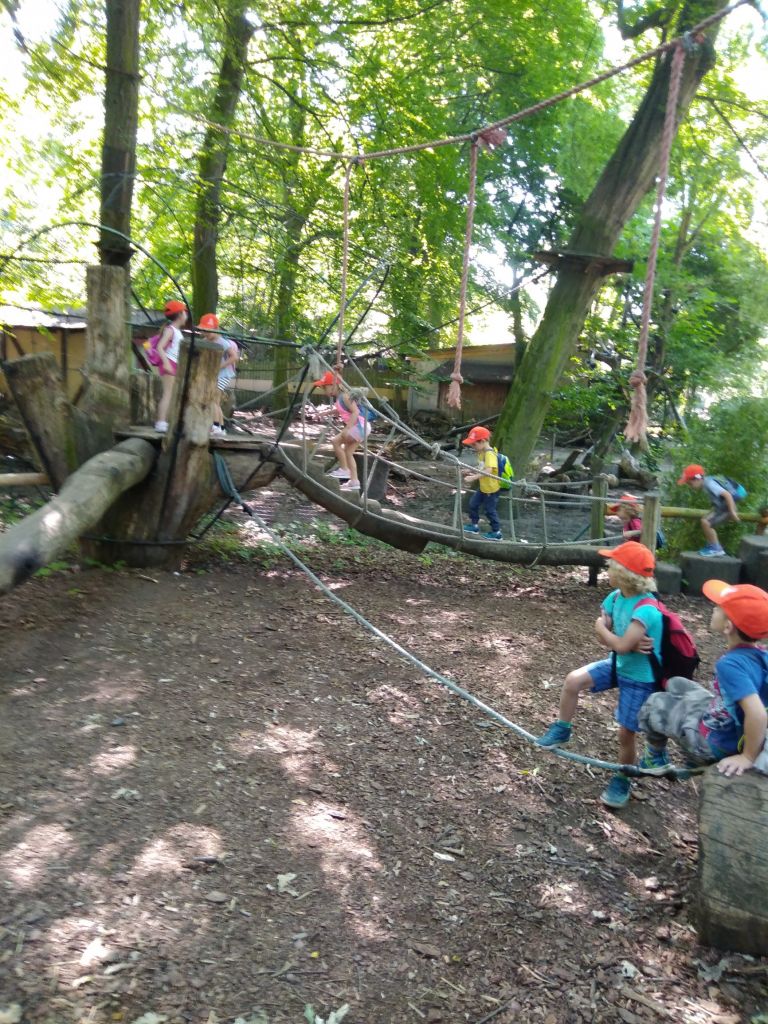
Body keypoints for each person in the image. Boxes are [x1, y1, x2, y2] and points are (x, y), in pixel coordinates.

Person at [536, 541, 664, 809]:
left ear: (624, 573)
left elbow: (616, 641)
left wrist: (605, 631)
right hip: (618, 664)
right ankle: (562, 728)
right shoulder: (616, 597)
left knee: (626, 734)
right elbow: (613, 640)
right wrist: (614, 638)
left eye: (612, 566)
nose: (607, 569)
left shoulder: (646, 609)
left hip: (640, 678)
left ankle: (623, 778)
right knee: (573, 681)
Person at [638, 580, 768, 778]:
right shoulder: (761, 654)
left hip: (718, 742)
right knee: (676, 684)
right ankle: (691, 759)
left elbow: (757, 713)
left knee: (654, 702)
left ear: (728, 627)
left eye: (718, 607)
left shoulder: (731, 665)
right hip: (727, 720)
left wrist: (748, 756)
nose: (713, 609)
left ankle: (655, 759)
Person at [311, 369, 371, 492]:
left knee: (335, 441)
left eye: (325, 387)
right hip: (362, 428)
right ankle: (354, 481)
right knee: (348, 453)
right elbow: (339, 410)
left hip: (359, 426)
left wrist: (347, 428)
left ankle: (344, 470)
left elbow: (356, 412)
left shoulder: (345, 396)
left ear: (334, 385)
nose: (324, 391)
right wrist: (323, 414)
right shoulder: (340, 399)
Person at [677, 464, 740, 557]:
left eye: (690, 483)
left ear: (697, 478)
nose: (690, 486)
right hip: (724, 505)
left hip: (728, 504)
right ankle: (712, 545)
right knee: (706, 521)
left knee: (706, 522)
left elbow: (727, 495)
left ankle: (716, 548)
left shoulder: (709, 484)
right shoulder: (708, 482)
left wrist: (732, 512)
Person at [196, 313, 238, 437]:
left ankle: (215, 426)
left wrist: (220, 366)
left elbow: (234, 357)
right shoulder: (205, 341)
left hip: (224, 375)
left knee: (212, 399)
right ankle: (221, 428)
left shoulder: (222, 342)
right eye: (203, 330)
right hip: (214, 375)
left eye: (208, 330)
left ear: (215, 329)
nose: (205, 333)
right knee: (215, 402)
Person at [461, 425, 502, 541]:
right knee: (473, 504)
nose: (473, 447)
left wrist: (473, 477)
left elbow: (488, 470)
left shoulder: (489, 454)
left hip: (491, 489)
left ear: (483, 441)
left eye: (474, 444)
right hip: (483, 487)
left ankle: (497, 532)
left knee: (490, 511)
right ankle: (474, 525)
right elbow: (481, 467)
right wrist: (469, 470)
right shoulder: (481, 452)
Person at [154, 300, 188, 433]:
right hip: (169, 363)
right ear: (180, 314)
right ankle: (161, 422)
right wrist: (167, 363)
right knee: (168, 393)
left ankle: (165, 421)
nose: (186, 315)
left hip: (173, 363)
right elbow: (159, 347)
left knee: (171, 393)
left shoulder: (176, 331)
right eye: (184, 312)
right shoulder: (170, 330)